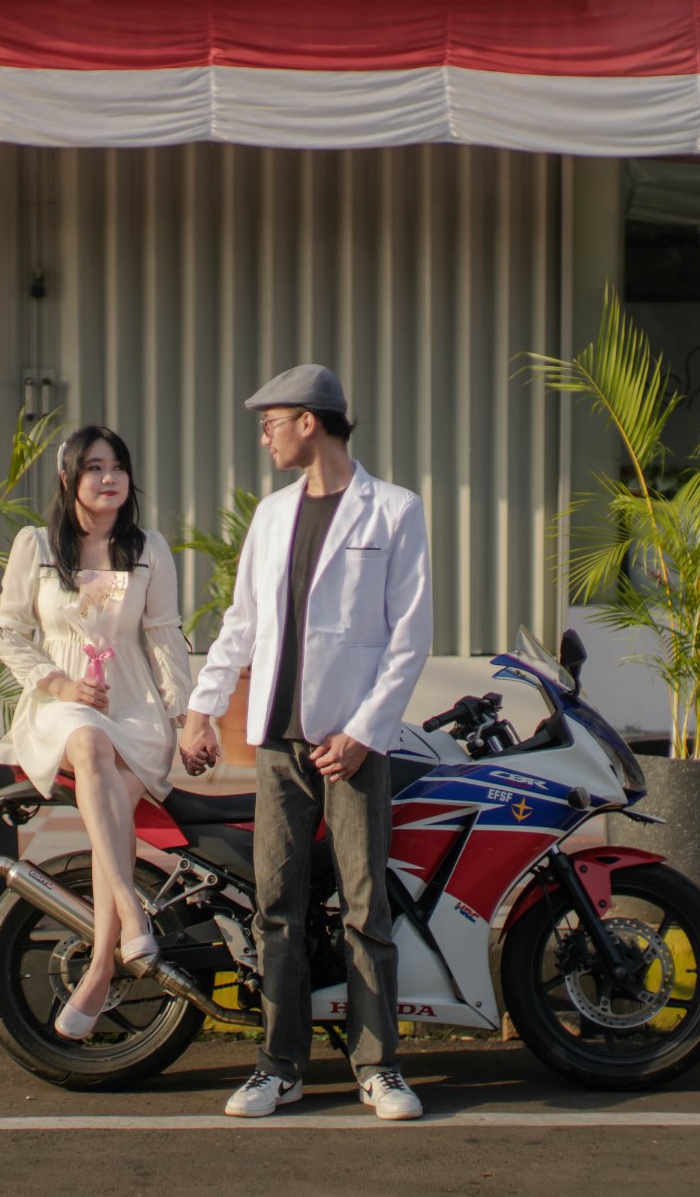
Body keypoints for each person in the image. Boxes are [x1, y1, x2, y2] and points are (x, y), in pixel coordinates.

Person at [179, 364, 433, 1121]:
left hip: (351, 745)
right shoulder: (272, 515)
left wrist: (363, 733)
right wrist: (201, 707)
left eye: (271, 423)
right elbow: (242, 623)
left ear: (309, 422)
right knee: (277, 906)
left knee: (365, 907)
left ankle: (378, 1068)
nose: (265, 437)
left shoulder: (394, 510)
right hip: (279, 744)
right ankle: (278, 1066)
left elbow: (409, 638)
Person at [0, 425, 194, 1041]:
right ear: (68, 478)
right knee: (88, 740)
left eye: (118, 467)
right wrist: (58, 684)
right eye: (94, 468)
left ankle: (103, 964)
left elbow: (164, 637)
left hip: (134, 707)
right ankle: (132, 912)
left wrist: (186, 719)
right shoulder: (35, 545)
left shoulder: (149, 547)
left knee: (113, 816)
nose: (109, 478)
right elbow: (6, 632)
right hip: (61, 703)